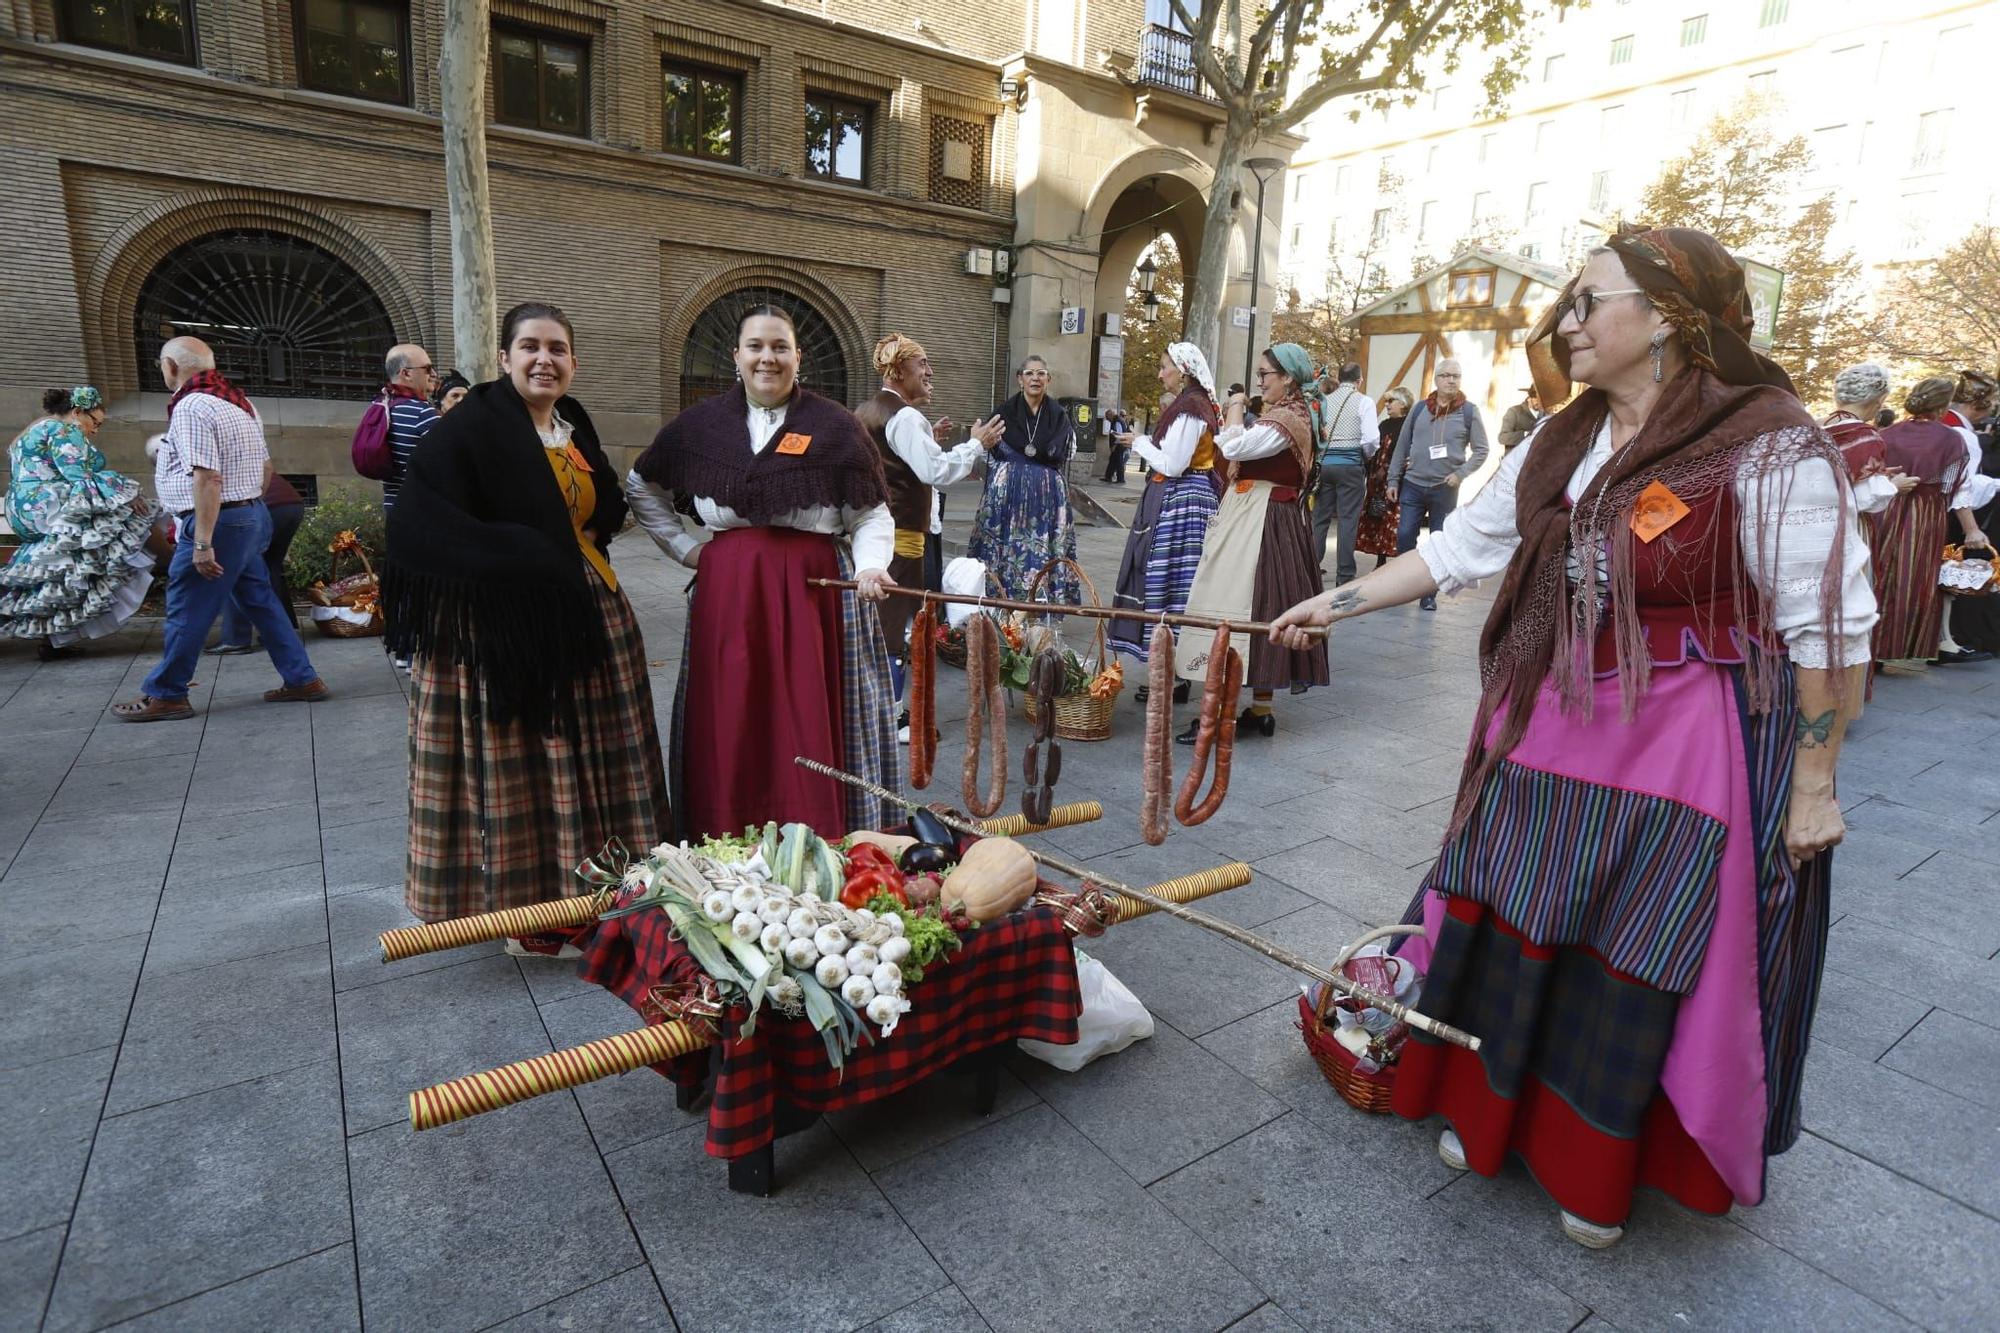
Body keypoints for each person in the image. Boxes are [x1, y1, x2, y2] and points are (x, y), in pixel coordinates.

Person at [1272, 226, 1875, 1249]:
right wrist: (1327, 603)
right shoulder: (1559, 438)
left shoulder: (1766, 441)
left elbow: (1831, 629)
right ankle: (1486, 1114)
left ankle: (1591, 1163)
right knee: (1510, 913)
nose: (1566, 321)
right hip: (1548, 720)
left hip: (1679, 746)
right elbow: (1456, 550)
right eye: (1568, 302)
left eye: (1590, 301)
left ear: (1671, 317)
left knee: (1631, 950)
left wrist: (1813, 781)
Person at [384, 303, 667, 947]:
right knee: (532, 769)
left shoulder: (572, 422)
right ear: (505, 358)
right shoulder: (470, 430)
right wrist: (527, 555)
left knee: (601, 759)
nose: (545, 359)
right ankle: (533, 916)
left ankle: (608, 892)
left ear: (573, 361)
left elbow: (605, 496)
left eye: (558, 349)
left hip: (588, 616)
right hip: (504, 632)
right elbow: (416, 525)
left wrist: (584, 538)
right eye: (530, 347)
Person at [629, 305, 901, 839]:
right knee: (731, 712)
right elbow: (642, 485)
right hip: (728, 590)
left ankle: (823, 832)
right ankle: (724, 831)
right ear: (737, 356)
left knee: (810, 712)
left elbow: (870, 511)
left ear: (798, 357)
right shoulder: (700, 426)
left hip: (816, 591)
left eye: (780, 347)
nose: (767, 358)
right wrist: (688, 550)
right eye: (755, 346)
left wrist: (871, 566)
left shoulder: (836, 427)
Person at [113, 339, 326, 722]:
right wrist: (248, 509)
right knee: (260, 601)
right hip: (248, 513)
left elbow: (208, 477)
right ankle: (302, 678)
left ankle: (168, 693)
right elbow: (264, 469)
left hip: (220, 520)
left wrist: (204, 541)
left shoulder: (193, 406)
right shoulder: (240, 402)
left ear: (170, 365)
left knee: (187, 609)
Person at [1174, 342, 1328, 740]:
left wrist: (1236, 406)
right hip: (1256, 514)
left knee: (1241, 605)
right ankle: (1257, 711)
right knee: (1261, 604)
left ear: (1288, 378)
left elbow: (1234, 445)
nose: (1259, 382)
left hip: (1263, 519)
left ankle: (1222, 716)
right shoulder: (1285, 415)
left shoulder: (1288, 420)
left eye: (1265, 374)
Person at [851, 333, 1002, 740]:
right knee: (899, 623)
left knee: (879, 619)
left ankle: (875, 709)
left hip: (873, 534)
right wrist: (976, 444)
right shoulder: (903, 417)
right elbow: (935, 471)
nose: (930, 372)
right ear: (899, 371)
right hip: (901, 536)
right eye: (922, 365)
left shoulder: (868, 410)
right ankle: (895, 719)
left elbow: (893, 462)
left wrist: (928, 441)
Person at [1, 386, 156, 659]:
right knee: (124, 528)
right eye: (94, 422)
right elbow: (78, 475)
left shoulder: (38, 427)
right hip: (48, 506)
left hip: (23, 508)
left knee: (58, 569)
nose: (95, 430)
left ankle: (55, 637)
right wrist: (127, 493)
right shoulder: (65, 430)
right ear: (76, 412)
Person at [1107, 343, 1223, 704]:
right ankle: (1173, 676)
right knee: (1173, 588)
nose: (1160, 373)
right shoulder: (1190, 404)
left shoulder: (1190, 409)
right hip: (1183, 499)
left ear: (1183, 370)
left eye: (1164, 367)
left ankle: (1178, 677)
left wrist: (1139, 442)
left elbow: (1173, 465)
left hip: (1184, 502)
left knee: (1173, 588)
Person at [1874, 377, 1985, 667]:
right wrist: (1972, 529)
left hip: (1887, 505)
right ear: (1943, 405)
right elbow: (1956, 489)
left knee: (1880, 573)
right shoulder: (1952, 438)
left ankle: (1869, 646)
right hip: (1925, 511)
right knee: (1913, 579)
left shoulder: (1887, 433)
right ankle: (1896, 645)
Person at [968, 354, 1080, 602]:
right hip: (1009, 495)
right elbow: (988, 447)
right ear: (1020, 379)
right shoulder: (1004, 412)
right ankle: (1001, 598)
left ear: (1048, 380)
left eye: (1041, 373)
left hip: (1046, 497)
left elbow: (1066, 451)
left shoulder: (1058, 414)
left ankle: (1040, 599)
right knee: (1005, 544)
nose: (1035, 378)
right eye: (1029, 373)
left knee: (1041, 545)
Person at [1388, 358, 1489, 610]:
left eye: (1456, 376)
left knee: (1438, 542)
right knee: (1404, 535)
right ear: (1437, 379)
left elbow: (1482, 450)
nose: (1452, 380)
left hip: (1445, 488)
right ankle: (1402, 586)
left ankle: (1428, 594)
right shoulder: (1420, 408)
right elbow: (1402, 445)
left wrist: (1461, 474)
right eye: (1446, 375)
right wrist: (1392, 479)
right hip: (1412, 483)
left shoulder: (1469, 411)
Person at [206, 468, 305, 655]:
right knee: (271, 566)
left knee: (232, 571)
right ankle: (283, 632)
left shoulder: (202, 459)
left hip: (264, 506)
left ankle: (235, 638)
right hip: (291, 503)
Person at [1818, 363, 1913, 537]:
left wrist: (1876, 475)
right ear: (1879, 399)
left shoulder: (1813, 426)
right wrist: (1894, 486)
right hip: (1843, 529)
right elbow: (1863, 498)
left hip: (1810, 521)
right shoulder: (1864, 436)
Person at [1308, 362, 1381, 586]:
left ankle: (1310, 568)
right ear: (1359, 381)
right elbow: (1371, 439)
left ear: (1339, 379)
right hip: (1350, 466)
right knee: (1348, 520)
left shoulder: (1325, 401)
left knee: (1319, 520)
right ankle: (1345, 574)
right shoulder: (1364, 401)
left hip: (1325, 465)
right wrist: (1364, 456)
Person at [1353, 388, 1410, 571]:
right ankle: (1380, 559)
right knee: (1378, 517)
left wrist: (1387, 471)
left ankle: (1399, 561)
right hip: (1377, 481)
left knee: (1393, 520)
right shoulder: (1384, 424)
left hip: (1395, 481)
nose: (1386, 405)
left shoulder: (1408, 426)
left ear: (1403, 404)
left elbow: (1404, 454)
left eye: (1390, 401)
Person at [379, 344, 440, 510]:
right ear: (406, 373)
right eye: (427, 369)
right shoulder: (422, 413)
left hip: (394, 507)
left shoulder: (385, 407)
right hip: (422, 511)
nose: (434, 374)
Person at [1101, 409, 1130, 484]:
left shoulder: (1117, 421)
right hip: (1119, 444)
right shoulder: (1116, 421)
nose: (1107, 420)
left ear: (1111, 415)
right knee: (1112, 460)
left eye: (1107, 417)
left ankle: (1120, 479)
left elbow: (1119, 435)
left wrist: (1114, 445)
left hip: (1119, 445)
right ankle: (1108, 477)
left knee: (1118, 462)